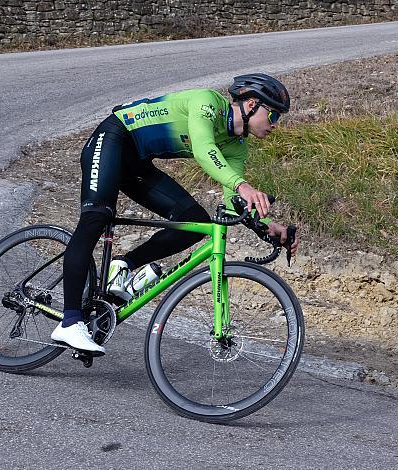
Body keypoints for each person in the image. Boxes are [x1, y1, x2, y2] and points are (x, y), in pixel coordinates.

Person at [51, 73, 300, 354]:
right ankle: (70, 322)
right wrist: (243, 185)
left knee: (195, 224)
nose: (275, 125)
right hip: (113, 138)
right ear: (252, 103)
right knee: (96, 217)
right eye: (274, 116)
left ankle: (122, 265)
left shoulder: (236, 146)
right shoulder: (206, 103)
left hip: (138, 163)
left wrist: (268, 226)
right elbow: (205, 149)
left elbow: (235, 202)